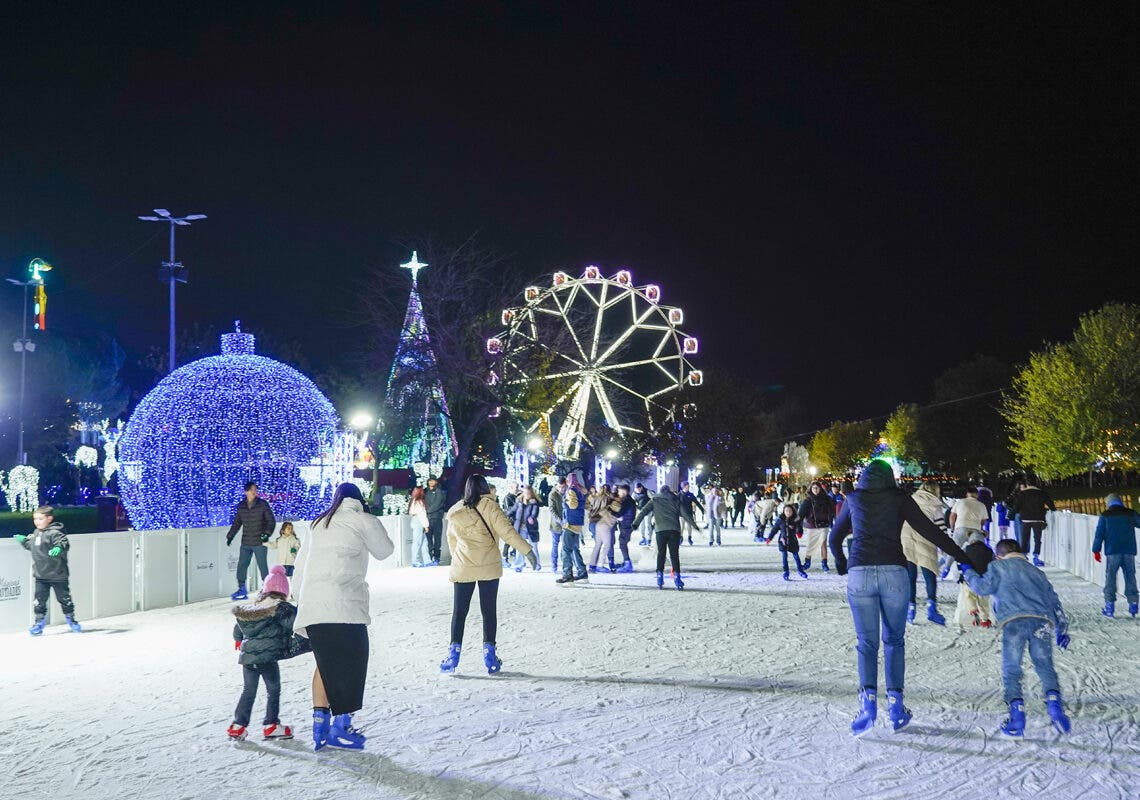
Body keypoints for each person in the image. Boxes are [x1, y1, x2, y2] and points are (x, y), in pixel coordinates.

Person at [829, 459, 975, 736]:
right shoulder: (899, 499)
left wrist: (841, 562)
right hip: (894, 573)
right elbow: (929, 531)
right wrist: (962, 557)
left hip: (860, 572)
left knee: (866, 643)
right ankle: (896, 707)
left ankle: (868, 705)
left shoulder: (853, 498)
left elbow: (835, 537)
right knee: (894, 640)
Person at [292, 482, 394, 751]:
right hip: (344, 607)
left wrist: (299, 599)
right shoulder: (362, 519)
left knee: (325, 665)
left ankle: (319, 725)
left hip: (313, 607)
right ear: (358, 499)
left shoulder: (317, 524)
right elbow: (385, 550)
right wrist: (370, 518)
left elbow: (300, 566)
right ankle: (341, 725)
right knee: (352, 662)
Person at [961, 539, 1071, 737]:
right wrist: (1062, 628)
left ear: (998, 556)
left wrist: (968, 570)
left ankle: (1017, 717)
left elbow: (981, 588)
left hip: (1014, 623)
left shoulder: (998, 567)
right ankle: (1056, 709)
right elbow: (1054, 602)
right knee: (1045, 666)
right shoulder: (1037, 572)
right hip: (1041, 621)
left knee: (1012, 669)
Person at [439, 474, 536, 675]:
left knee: (459, 612)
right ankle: (489, 654)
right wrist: (527, 551)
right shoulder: (491, 507)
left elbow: (452, 542)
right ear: (485, 488)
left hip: (464, 565)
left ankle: (453, 655)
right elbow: (508, 532)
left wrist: (460, 557)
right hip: (488, 566)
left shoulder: (455, 511)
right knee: (488, 611)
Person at [227, 565, 300, 741]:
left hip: (248, 657)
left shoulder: (255, 607)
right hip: (267, 658)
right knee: (273, 690)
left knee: (248, 691)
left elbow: (238, 629)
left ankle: (238, 725)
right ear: (284, 590)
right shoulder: (280, 607)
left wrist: (239, 640)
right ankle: (271, 724)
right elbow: (292, 624)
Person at [18, 506, 80, 635]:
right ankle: (39, 622)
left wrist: (58, 548)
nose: (37, 521)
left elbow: (63, 542)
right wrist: (24, 541)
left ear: (49, 518)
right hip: (41, 576)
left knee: (64, 599)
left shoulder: (55, 533)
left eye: (40, 518)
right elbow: (33, 547)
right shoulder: (36, 533)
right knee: (39, 601)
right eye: (35, 519)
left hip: (58, 574)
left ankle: (71, 619)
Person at [900, 480, 949, 625]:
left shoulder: (911, 499)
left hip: (907, 539)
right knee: (929, 574)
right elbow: (941, 527)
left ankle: (910, 610)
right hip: (926, 540)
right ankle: (931, 609)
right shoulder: (935, 505)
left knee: (910, 576)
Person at [632, 485, 696, 590]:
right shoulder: (675, 499)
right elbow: (685, 514)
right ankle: (677, 577)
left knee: (661, 554)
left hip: (660, 530)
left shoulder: (655, 499)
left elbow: (643, 511)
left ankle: (660, 577)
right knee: (674, 555)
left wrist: (635, 523)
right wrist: (695, 526)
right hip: (674, 530)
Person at [225, 481, 277, 601]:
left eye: (255, 489)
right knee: (242, 565)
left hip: (260, 541)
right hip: (246, 542)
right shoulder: (241, 506)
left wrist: (266, 534)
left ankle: (267, 589)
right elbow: (237, 522)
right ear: (246, 491)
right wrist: (230, 536)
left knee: (262, 566)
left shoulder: (262, 504)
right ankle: (242, 588)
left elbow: (271, 521)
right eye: (252, 490)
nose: (254, 492)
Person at [1091, 493, 1140, 618]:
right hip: (1129, 551)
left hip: (1113, 551)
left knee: (1110, 578)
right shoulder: (1130, 513)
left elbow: (1099, 534)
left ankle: (1109, 608)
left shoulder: (1105, 515)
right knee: (1130, 576)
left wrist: (1096, 550)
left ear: (1109, 503)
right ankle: (1133, 605)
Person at [1006, 481, 1054, 567]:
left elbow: (1017, 506)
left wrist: (1010, 515)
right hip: (1038, 519)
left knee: (1025, 538)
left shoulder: (1023, 493)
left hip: (1026, 519)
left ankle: (1024, 555)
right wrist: (1053, 509)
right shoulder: (1041, 493)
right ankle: (1036, 557)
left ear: (1027, 484)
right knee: (1037, 539)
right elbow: (1050, 503)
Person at [956, 531, 994, 629]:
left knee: (969, 595)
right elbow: (993, 565)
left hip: (968, 579)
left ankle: (973, 609)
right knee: (983, 599)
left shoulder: (966, 549)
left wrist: (961, 574)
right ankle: (985, 620)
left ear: (971, 540)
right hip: (984, 580)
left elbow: (960, 562)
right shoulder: (989, 551)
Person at [555, 474, 589, 583]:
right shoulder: (580, 490)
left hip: (570, 524)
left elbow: (573, 505)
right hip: (577, 524)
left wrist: (565, 502)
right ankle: (582, 571)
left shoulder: (571, 490)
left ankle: (567, 574)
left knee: (565, 550)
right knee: (574, 549)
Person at [799, 481, 835, 572]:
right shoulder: (807, 500)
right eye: (813, 488)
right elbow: (801, 514)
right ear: (811, 489)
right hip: (812, 525)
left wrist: (831, 518)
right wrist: (797, 525)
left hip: (823, 524)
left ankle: (824, 563)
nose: (815, 489)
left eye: (817, 488)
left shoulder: (826, 499)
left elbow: (833, 510)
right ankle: (807, 562)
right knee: (811, 544)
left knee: (823, 544)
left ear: (820, 489)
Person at [766, 503, 808, 580]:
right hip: (783, 541)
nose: (788, 512)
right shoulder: (780, 520)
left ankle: (800, 570)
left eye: (790, 511)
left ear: (793, 512)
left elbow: (799, 528)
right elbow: (774, 530)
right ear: (784, 511)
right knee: (784, 557)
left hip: (793, 541)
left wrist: (799, 533)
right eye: (786, 511)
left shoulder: (796, 520)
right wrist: (769, 538)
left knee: (796, 556)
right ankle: (786, 571)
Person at [587, 485, 621, 573]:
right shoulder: (609, 499)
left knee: (598, 544)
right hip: (604, 523)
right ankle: (611, 564)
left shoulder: (595, 498)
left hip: (593, 523)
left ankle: (592, 566)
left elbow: (589, 508)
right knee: (608, 544)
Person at [512, 486, 541, 572]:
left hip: (531, 528)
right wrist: (505, 514)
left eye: (529, 493)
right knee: (520, 547)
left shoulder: (534, 503)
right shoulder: (519, 502)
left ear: (531, 493)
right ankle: (519, 565)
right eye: (526, 493)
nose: (527, 495)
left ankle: (537, 564)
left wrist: (532, 517)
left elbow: (534, 512)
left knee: (534, 547)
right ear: (523, 493)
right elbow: (513, 510)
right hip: (520, 528)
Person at [613, 484, 637, 573]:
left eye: (619, 491)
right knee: (623, 542)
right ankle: (626, 562)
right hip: (627, 524)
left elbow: (620, 513)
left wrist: (609, 511)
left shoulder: (627, 501)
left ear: (624, 491)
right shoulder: (628, 500)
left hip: (627, 525)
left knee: (622, 543)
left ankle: (628, 564)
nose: (618, 493)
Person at [424, 477, 447, 566]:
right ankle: (430, 557)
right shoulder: (425, 492)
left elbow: (437, 504)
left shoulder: (439, 492)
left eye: (433, 480)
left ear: (436, 482)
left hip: (437, 518)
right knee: (429, 540)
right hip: (427, 519)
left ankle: (437, 557)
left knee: (437, 539)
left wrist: (427, 511)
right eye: (429, 480)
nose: (431, 482)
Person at [407, 487, 431, 567]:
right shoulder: (419, 502)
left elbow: (411, 512)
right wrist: (426, 526)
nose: (413, 491)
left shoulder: (413, 501)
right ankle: (415, 561)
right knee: (418, 542)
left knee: (424, 542)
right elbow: (422, 515)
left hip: (415, 521)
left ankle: (427, 560)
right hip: (419, 522)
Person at [548, 477, 566, 572]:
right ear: (557, 485)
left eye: (563, 487)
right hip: (555, 525)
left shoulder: (567, 493)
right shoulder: (552, 494)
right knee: (555, 545)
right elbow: (552, 510)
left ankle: (564, 565)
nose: (562, 489)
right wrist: (560, 521)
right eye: (560, 487)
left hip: (566, 525)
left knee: (564, 546)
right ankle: (554, 565)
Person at [679, 481, 705, 545]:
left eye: (688, 486)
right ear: (684, 487)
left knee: (689, 526)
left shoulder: (690, 494)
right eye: (687, 486)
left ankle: (689, 537)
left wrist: (702, 509)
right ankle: (680, 538)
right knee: (681, 527)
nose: (688, 487)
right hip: (681, 514)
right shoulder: (679, 495)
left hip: (689, 513)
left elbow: (697, 502)